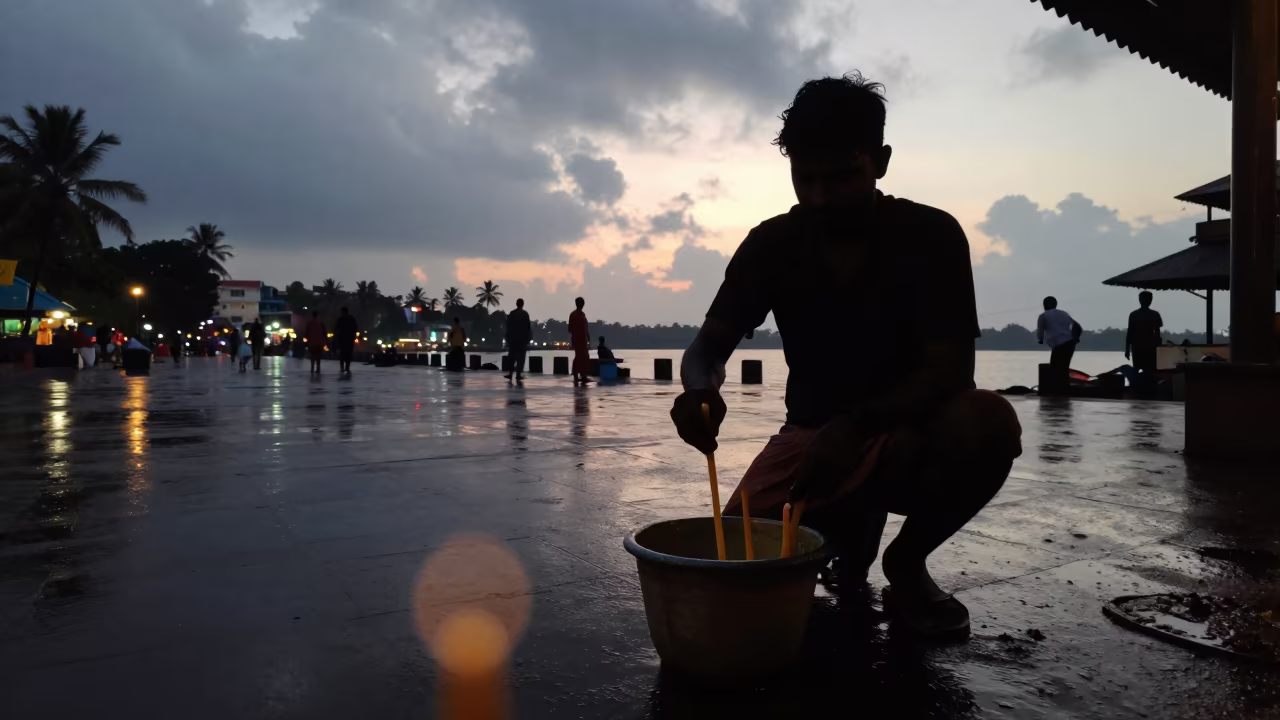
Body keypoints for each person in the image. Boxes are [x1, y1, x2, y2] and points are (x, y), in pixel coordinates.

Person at [668, 73, 1022, 640]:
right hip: (807, 440)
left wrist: (855, 427)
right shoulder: (771, 243)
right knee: (734, 562)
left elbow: (952, 371)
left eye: (841, 177)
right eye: (804, 178)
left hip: (909, 430)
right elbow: (707, 349)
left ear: (880, 162)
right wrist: (698, 391)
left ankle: (906, 561)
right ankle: (850, 527)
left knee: (987, 422)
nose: (820, 197)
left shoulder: (931, 235)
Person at [1036, 296, 1082, 383]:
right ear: (1055, 305)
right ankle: (1063, 388)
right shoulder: (1064, 314)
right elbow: (1077, 326)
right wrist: (1076, 338)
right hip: (1070, 343)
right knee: (1064, 367)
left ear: (1044, 305)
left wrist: (1040, 340)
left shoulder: (1043, 316)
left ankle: (1056, 390)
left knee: (1055, 367)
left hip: (1059, 344)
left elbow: (1040, 330)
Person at [1125, 291, 1163, 374]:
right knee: (1141, 369)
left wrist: (1127, 349)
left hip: (1147, 347)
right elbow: (1130, 332)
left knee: (1147, 370)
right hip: (1140, 346)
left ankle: (1140, 385)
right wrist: (1127, 349)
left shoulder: (1136, 314)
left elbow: (1157, 332)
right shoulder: (1136, 315)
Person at [505, 298, 531, 381]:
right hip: (522, 339)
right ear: (522, 304)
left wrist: (507, 338)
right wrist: (528, 339)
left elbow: (508, 327)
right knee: (521, 358)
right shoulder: (525, 314)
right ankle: (518, 374)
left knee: (512, 357)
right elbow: (528, 328)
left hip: (513, 339)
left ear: (516, 304)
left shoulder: (512, 314)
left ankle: (510, 373)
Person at [569, 297, 590, 384]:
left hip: (582, 339)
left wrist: (587, 335)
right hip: (578, 339)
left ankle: (583, 374)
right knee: (579, 357)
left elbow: (585, 327)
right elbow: (570, 328)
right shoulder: (574, 315)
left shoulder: (582, 314)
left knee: (584, 357)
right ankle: (576, 375)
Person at [335, 307, 358, 374]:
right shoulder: (351, 319)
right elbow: (355, 328)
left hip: (345, 338)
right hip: (348, 339)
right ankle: (345, 367)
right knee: (346, 353)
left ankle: (344, 367)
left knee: (344, 353)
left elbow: (336, 328)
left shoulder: (341, 319)